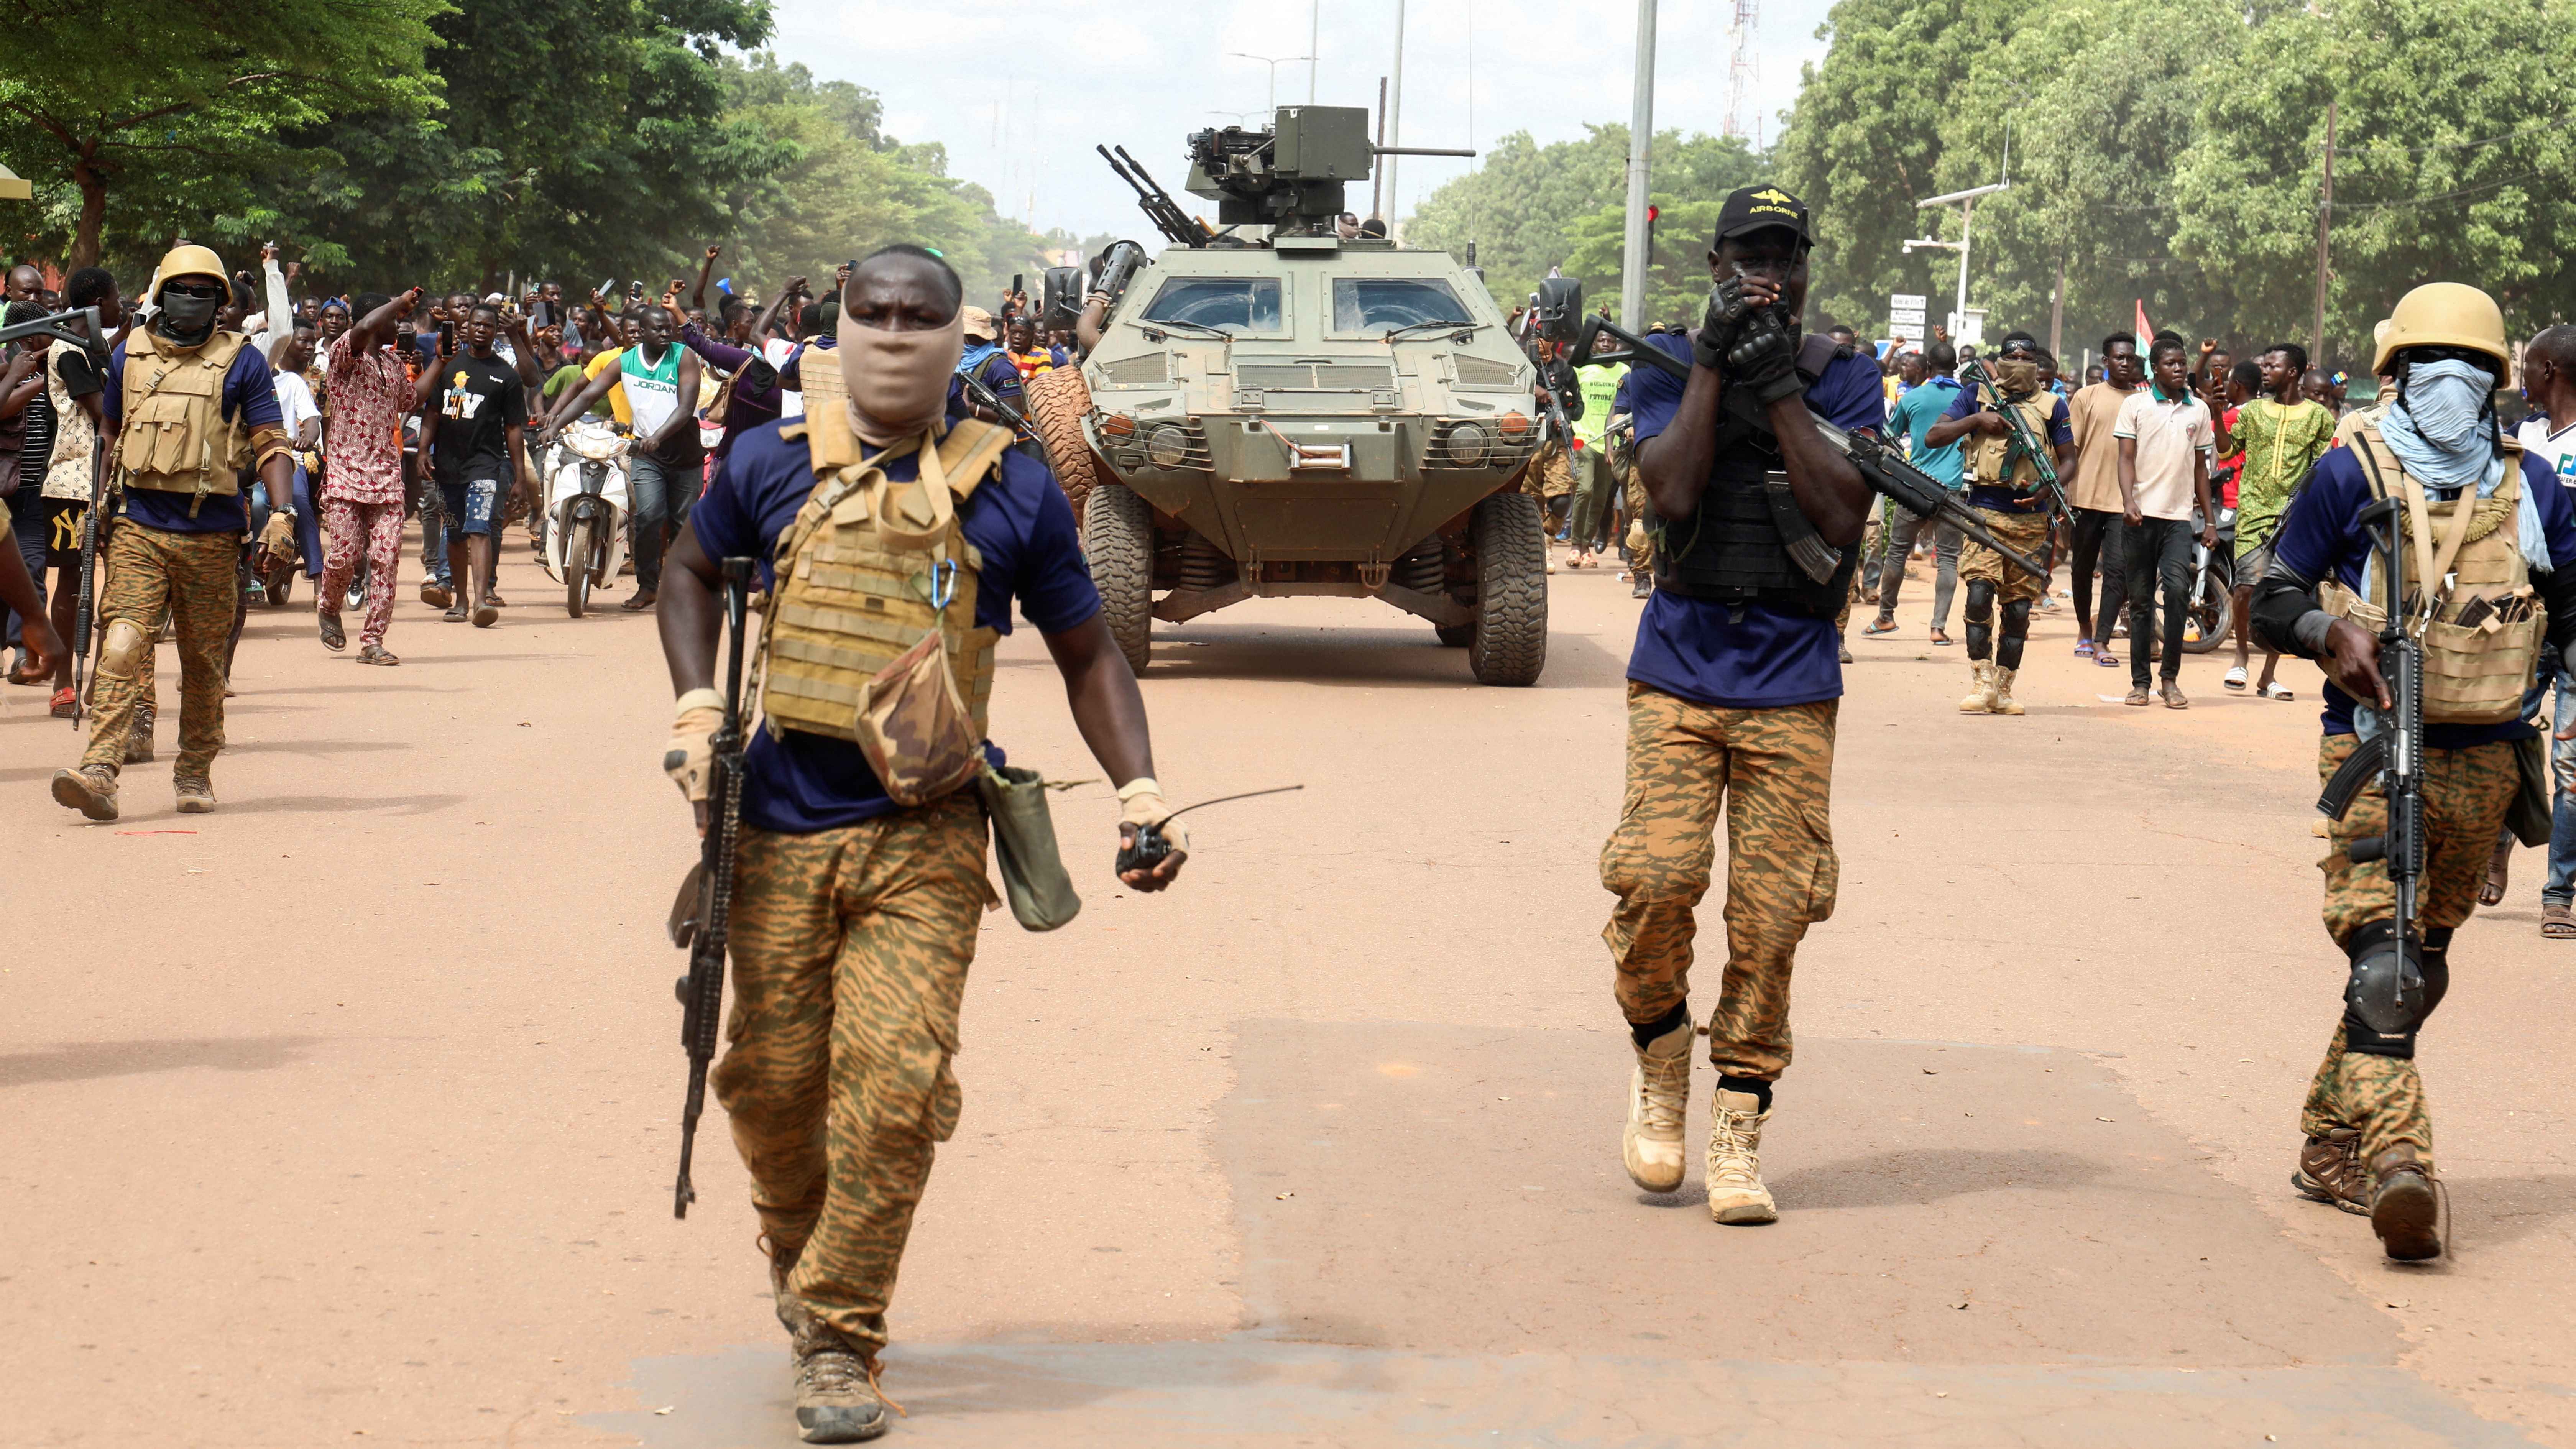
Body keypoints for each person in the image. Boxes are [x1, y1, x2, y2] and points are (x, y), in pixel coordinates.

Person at [657, 244, 1187, 1442]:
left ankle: (842, 1337)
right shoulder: (765, 464)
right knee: (768, 1089)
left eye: (920, 316)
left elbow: (1088, 652)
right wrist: (697, 714)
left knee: (894, 1096)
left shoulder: (1011, 488)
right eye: (874, 313)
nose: (894, 334)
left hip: (927, 835)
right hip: (777, 830)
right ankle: (803, 1262)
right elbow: (690, 575)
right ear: (835, 325)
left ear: (963, 332)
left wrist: (1139, 789)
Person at [2251, 282, 2576, 1262]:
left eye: (2471, 368)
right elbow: (2267, 590)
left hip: (2485, 758)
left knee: (2419, 965)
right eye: (2431, 366)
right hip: (2371, 747)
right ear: (2393, 375)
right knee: (2383, 961)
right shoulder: (2352, 471)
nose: (2451, 382)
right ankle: (2400, 1162)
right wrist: (2323, 631)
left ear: (2498, 384)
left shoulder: (2535, 489)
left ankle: (2326, 1141)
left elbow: (2568, 612)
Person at [1604, 185, 1881, 1226]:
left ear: (1807, 268)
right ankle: (1662, 1044)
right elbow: (1671, 494)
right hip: (1679, 663)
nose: (1768, 275)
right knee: (1655, 877)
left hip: (1794, 681)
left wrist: (1781, 392)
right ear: (1715, 265)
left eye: (1785, 258)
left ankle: (1739, 1117)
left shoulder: (1843, 377)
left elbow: (1842, 511)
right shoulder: (1666, 363)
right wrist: (1719, 362)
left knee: (1773, 919)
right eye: (1748, 259)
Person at [49, 244, 295, 820]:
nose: (191, 300)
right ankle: (100, 771)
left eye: (203, 291)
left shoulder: (244, 362)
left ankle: (194, 770)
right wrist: (99, 507)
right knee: (122, 643)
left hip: (211, 534)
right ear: (161, 294)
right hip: (139, 525)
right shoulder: (129, 355)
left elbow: (270, 443)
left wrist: (281, 514)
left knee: (203, 664)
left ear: (219, 302)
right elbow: (111, 432)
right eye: (181, 289)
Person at [1924, 332, 2075, 713]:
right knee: (1978, 598)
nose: (2020, 362)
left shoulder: (2053, 405)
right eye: (2013, 356)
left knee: (2019, 609)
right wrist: (1977, 419)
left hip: (2031, 519)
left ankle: (2005, 688)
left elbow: (2070, 459)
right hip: (1982, 515)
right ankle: (1982, 682)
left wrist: (2048, 487)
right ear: (2000, 359)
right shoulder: (1975, 395)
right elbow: (1934, 436)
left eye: (2029, 356)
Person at [543, 301, 702, 610]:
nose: (666, 334)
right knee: (649, 517)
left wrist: (658, 436)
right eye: (658, 329)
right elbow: (589, 395)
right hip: (647, 454)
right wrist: (556, 425)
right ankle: (648, 587)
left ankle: (688, 588)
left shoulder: (685, 357)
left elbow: (685, 408)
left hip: (684, 454)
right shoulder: (625, 361)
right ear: (641, 333)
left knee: (684, 525)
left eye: (668, 328)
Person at [2223, 344, 2335, 702]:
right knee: (2245, 589)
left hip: (2294, 520)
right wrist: (2215, 411)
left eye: (2273, 366)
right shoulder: (2253, 411)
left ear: (2293, 373)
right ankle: (2241, 656)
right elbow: (2226, 451)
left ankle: (2268, 675)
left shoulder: (2319, 418)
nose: (2265, 371)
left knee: (2284, 597)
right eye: (2264, 365)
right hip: (2254, 513)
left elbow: (2323, 469)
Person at [2112, 336, 2220, 708]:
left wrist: (2208, 522)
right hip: (2140, 518)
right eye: (2170, 363)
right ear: (2155, 368)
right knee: (2141, 602)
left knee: (2176, 593)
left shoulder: (2199, 412)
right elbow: (2126, 459)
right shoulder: (2136, 406)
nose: (2178, 368)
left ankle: (2170, 680)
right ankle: (2140, 683)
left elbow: (2201, 472)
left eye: (2182, 363)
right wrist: (2128, 501)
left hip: (2178, 519)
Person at [2512, 325, 2576, 938]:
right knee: (2505, 737)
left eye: (2527, 366)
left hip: (2575, 624)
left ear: (2550, 370)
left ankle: (2558, 892)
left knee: (2572, 765)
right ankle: (2499, 841)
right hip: (2522, 622)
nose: (2520, 377)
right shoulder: (2520, 440)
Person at [318, 290, 421, 665]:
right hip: (345, 473)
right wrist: (399, 301)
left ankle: (373, 640)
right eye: (392, 318)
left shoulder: (393, 364)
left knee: (386, 558)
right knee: (345, 555)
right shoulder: (346, 356)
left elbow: (411, 400)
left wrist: (440, 363)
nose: (398, 324)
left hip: (387, 477)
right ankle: (329, 606)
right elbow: (361, 327)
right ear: (377, 320)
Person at [32, 268, 115, 716]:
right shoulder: (68, 350)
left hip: (106, 479)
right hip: (73, 481)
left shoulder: (92, 349)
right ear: (100, 301)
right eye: (116, 298)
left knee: (117, 582)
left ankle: (100, 682)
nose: (120, 307)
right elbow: (104, 409)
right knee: (69, 584)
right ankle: (65, 681)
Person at [425, 300, 534, 625]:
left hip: (486, 465)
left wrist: (518, 477)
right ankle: (460, 601)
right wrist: (422, 453)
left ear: (495, 330)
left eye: (488, 325)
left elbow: (513, 429)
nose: (482, 330)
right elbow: (431, 412)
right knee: (456, 534)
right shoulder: (447, 366)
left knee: (479, 527)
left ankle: (482, 601)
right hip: (447, 465)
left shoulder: (506, 376)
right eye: (477, 325)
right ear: (467, 328)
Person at [1866, 339, 1967, 644]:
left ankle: (1886, 617)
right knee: (1948, 559)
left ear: (1928, 368)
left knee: (1897, 551)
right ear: (1956, 367)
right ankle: (1938, 628)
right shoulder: (1968, 399)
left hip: (1916, 486)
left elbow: (1891, 436)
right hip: (1953, 489)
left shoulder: (1913, 398)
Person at [2069, 334, 2142, 665]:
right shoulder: (2087, 397)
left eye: (2130, 358)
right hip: (2085, 497)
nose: (2125, 363)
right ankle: (2085, 628)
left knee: (2117, 571)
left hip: (2124, 503)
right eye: (2119, 358)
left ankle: (2103, 640)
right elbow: (2071, 449)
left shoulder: (2145, 402)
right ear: (2106, 361)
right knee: (2082, 570)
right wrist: (2065, 493)